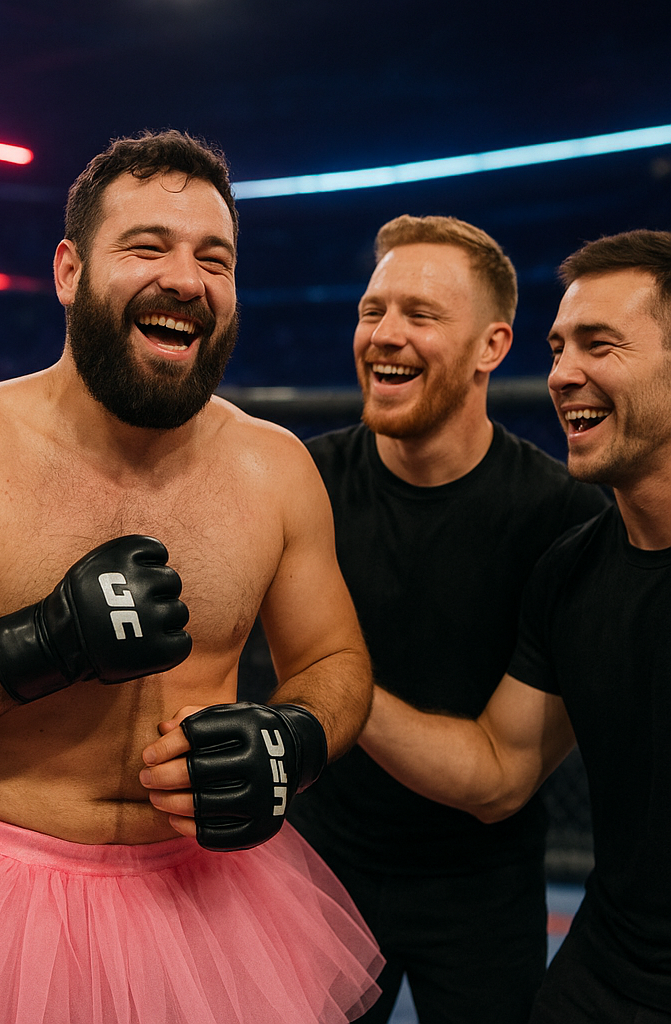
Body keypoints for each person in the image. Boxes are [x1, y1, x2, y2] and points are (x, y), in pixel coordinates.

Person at [0, 130, 383, 1024]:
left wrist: (295, 737)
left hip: (213, 914)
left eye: (215, 257)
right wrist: (34, 647)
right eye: (147, 247)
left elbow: (337, 663)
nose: (186, 278)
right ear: (69, 271)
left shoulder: (276, 469)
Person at [286, 215, 608, 1023]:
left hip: (483, 882)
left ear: (492, 347)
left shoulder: (561, 519)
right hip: (321, 861)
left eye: (420, 315)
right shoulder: (302, 483)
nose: (385, 334)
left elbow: (503, 784)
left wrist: (338, 691)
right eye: (372, 310)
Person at [357, 229, 671, 1021]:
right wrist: (333, 690)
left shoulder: (548, 517)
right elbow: (499, 769)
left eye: (599, 345)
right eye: (560, 347)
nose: (564, 374)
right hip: (609, 969)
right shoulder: (572, 570)